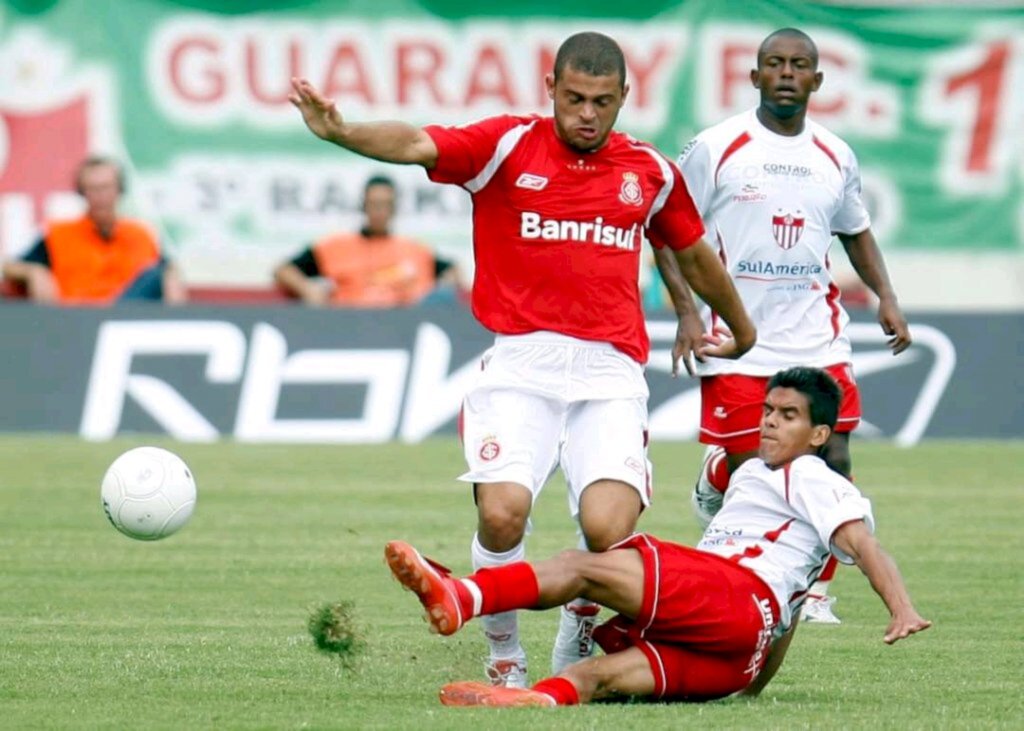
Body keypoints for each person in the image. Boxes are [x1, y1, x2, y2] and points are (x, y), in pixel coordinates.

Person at [291, 31, 756, 687]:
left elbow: (691, 249)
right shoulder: (506, 146)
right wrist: (343, 132)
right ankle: (504, 652)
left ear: (624, 96)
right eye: (573, 98)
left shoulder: (649, 170)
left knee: (607, 529)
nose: (586, 113)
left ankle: (583, 614)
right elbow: (419, 142)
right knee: (502, 511)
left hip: (610, 371)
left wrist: (740, 327)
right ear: (551, 89)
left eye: (601, 101)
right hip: (520, 364)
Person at [384, 366, 932, 707]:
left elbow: (864, 546)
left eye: (787, 416)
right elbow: (783, 615)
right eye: (767, 410)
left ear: (817, 435)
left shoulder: (811, 474)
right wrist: (751, 685)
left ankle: (463, 597)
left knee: (584, 565)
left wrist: (901, 607)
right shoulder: (755, 477)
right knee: (592, 678)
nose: (769, 423)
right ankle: (535, 701)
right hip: (740, 650)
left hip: (734, 594)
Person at [664, 27, 912, 623]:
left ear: (816, 81)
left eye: (798, 65)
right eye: (773, 64)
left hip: (816, 335)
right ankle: (716, 474)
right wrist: (686, 310)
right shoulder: (716, 146)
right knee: (757, 468)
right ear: (754, 77)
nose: (785, 73)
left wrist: (887, 296)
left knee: (834, 464)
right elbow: (668, 228)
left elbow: (856, 231)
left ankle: (813, 590)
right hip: (738, 338)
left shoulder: (835, 154)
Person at [1, 156, 186, 305]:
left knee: (164, 274)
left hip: (127, 318)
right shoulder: (61, 234)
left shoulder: (141, 235)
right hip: (77, 319)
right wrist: (35, 272)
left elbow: (168, 272)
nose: (100, 197)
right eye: (92, 189)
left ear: (119, 190)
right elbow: (10, 267)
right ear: (82, 193)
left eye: (105, 188)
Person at [273, 174, 464, 307]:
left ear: (394, 208)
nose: (379, 211)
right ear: (363, 206)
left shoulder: (415, 250)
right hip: (352, 324)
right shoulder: (336, 247)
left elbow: (452, 271)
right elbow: (284, 270)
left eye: (385, 205)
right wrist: (309, 290)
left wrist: (441, 290)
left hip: (402, 327)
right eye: (374, 204)